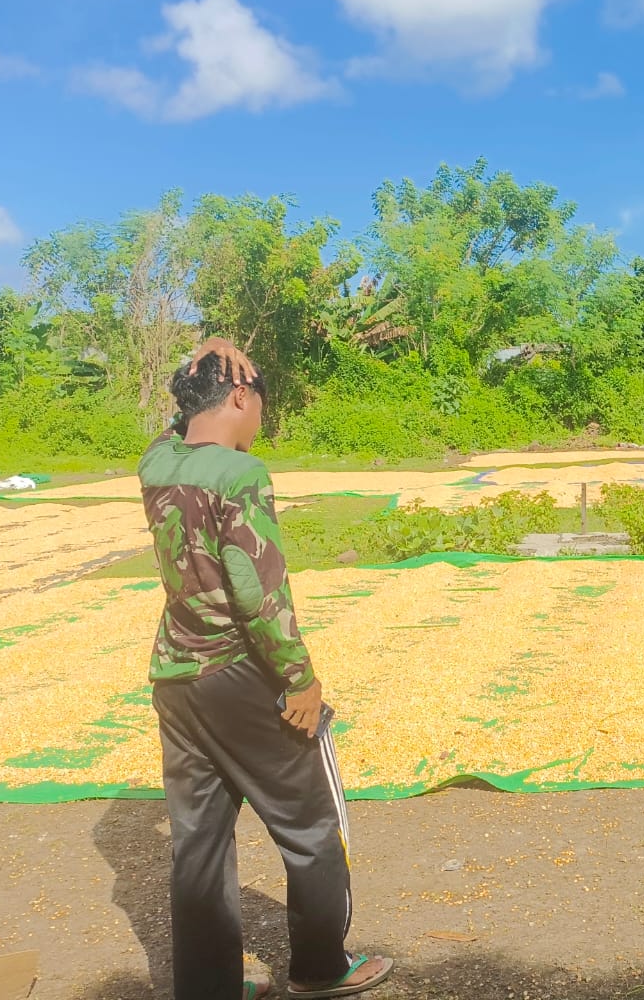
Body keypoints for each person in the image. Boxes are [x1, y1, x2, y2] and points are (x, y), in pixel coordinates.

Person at [141, 337, 392, 1000]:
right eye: (259, 406)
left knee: (198, 840)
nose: (260, 422)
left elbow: (176, 426)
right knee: (313, 826)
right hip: (240, 673)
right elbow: (257, 594)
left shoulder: (157, 463)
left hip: (177, 677)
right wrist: (300, 678)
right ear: (240, 396)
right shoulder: (241, 474)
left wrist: (197, 360)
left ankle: (211, 986)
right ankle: (320, 967)